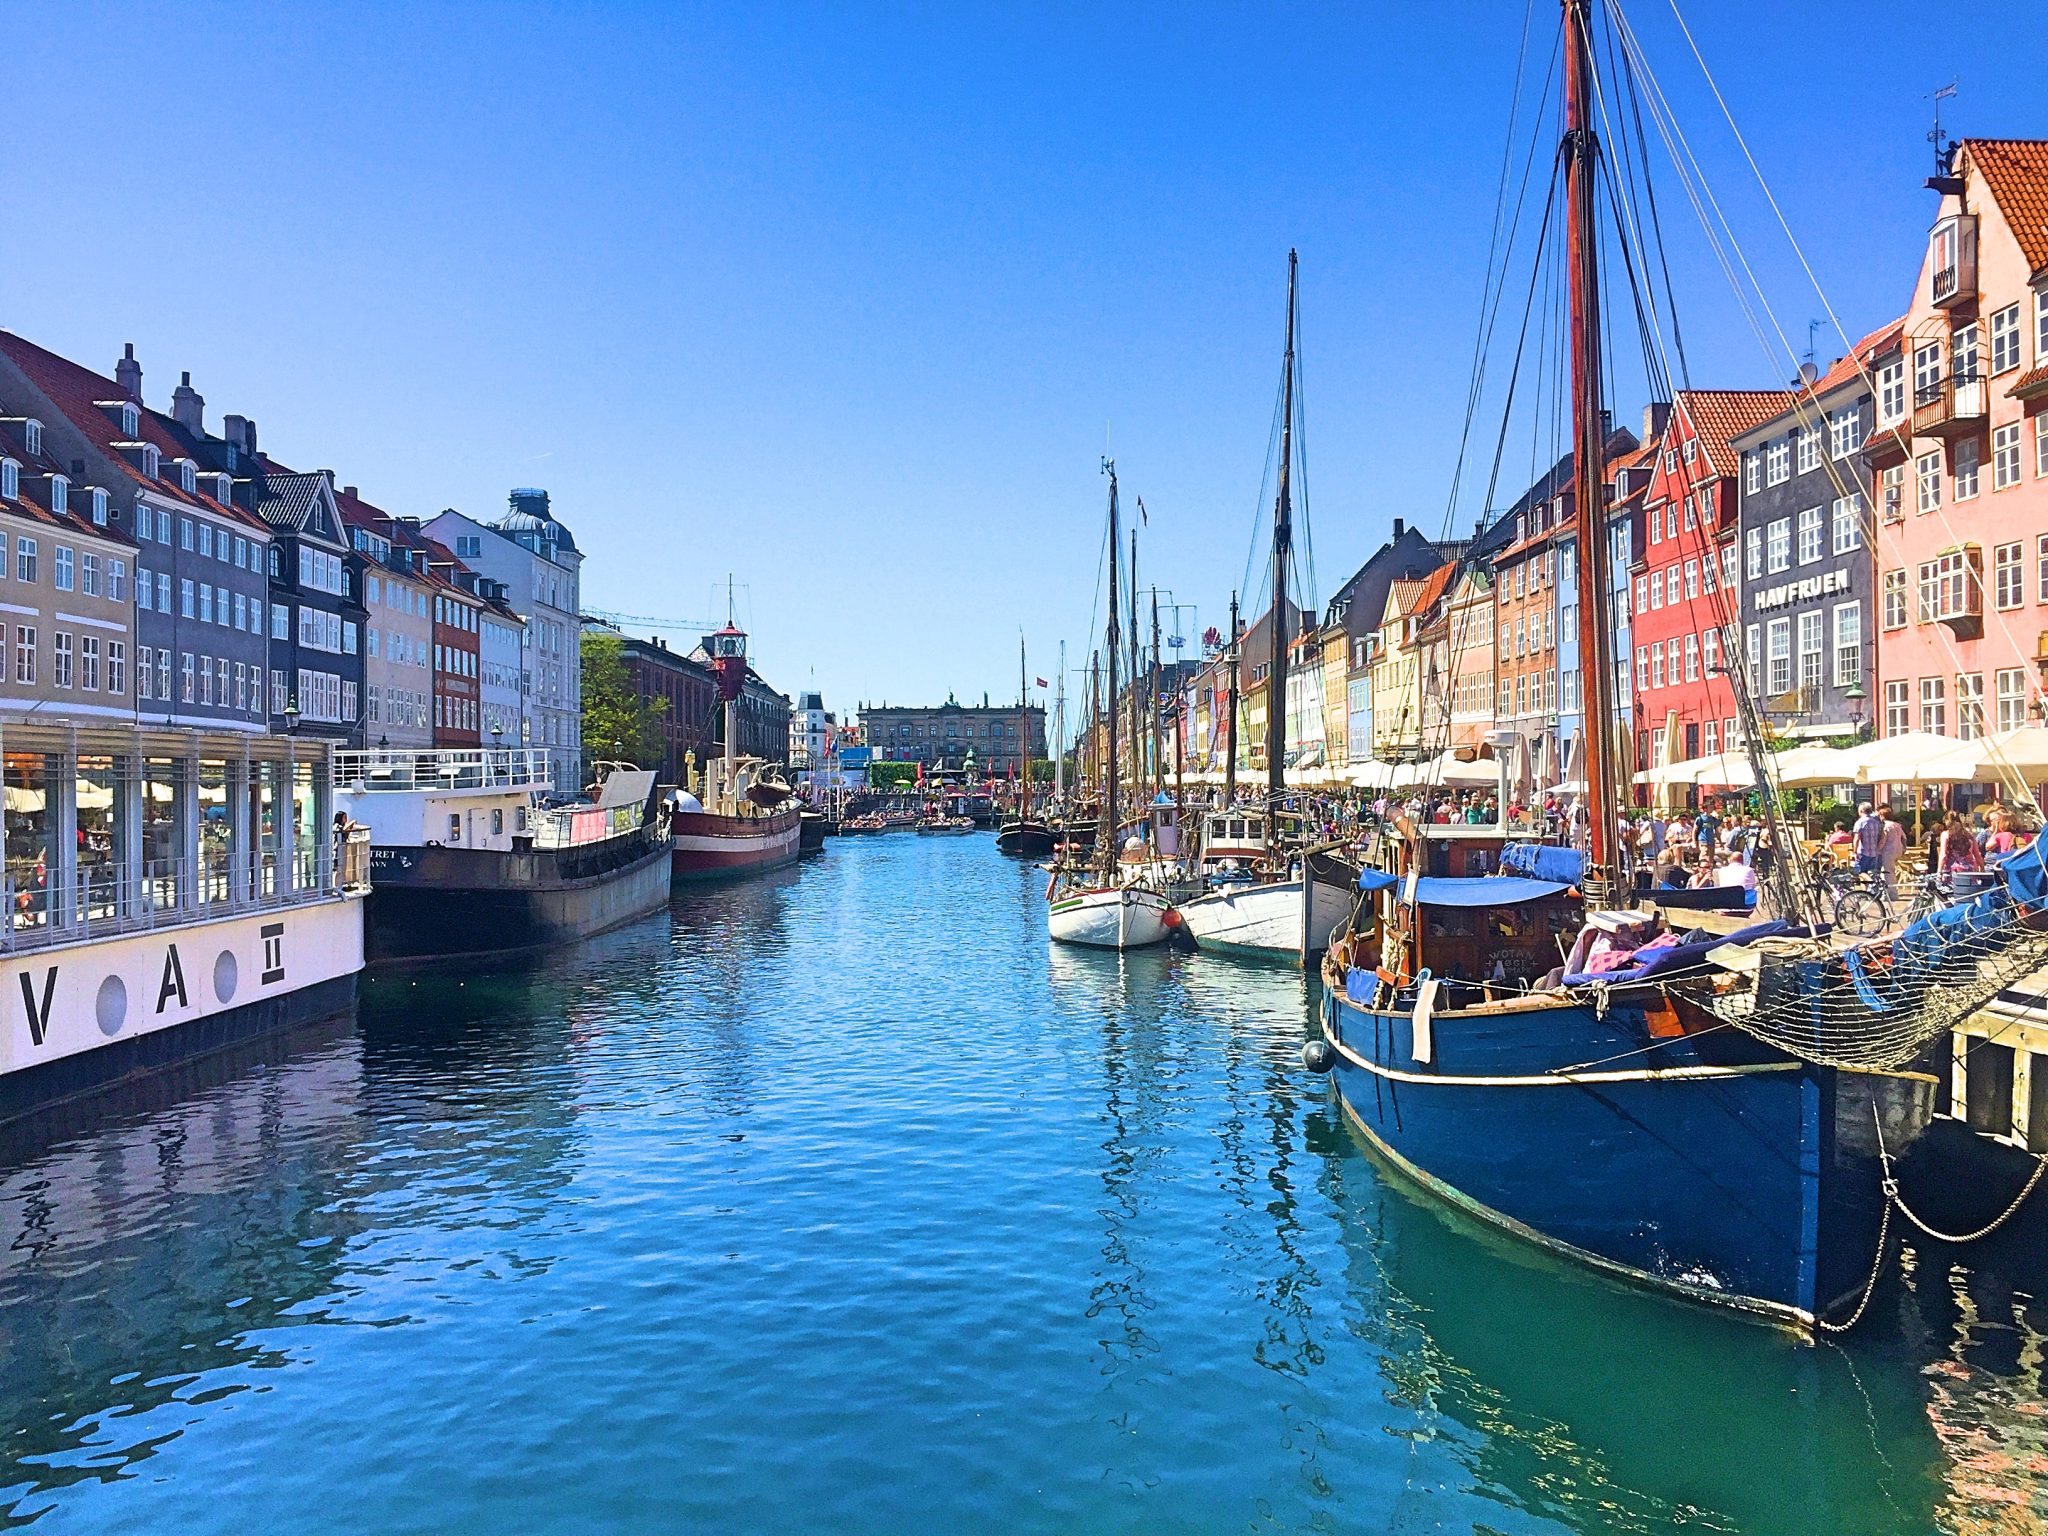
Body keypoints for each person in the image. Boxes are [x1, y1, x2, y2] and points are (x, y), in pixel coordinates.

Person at [1876, 806, 1907, 895]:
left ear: (1882, 816)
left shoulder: (1886, 826)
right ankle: (1888, 891)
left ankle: (1891, 893)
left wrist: (1878, 849)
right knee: (1891, 871)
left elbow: (1883, 840)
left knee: (1888, 872)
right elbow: (1904, 838)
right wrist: (1904, 848)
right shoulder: (1897, 825)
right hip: (1898, 850)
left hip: (1888, 851)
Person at [1851, 801, 1883, 877]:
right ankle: (1870, 887)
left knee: (1861, 873)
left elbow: (1856, 838)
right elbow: (1879, 836)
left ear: (1861, 811)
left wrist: (1854, 852)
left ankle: (1868, 884)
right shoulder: (1876, 822)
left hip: (1863, 853)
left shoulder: (1859, 822)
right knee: (1872, 873)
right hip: (1874, 852)